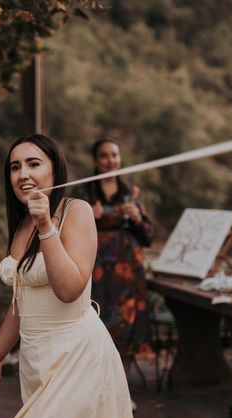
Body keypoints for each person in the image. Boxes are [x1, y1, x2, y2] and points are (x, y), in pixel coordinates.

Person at [0, 134, 147, 418]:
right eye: (15, 167)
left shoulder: (76, 212)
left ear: (55, 171)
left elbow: (69, 288)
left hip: (78, 358)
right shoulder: (21, 224)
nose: (23, 174)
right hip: (37, 363)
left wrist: (45, 226)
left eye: (34, 164)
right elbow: (19, 305)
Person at [82, 138, 153, 381]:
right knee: (96, 325)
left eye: (114, 155)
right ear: (95, 160)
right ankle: (96, 389)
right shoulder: (84, 192)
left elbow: (148, 237)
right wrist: (87, 217)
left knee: (127, 325)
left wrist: (137, 219)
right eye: (104, 156)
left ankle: (121, 391)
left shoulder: (132, 193)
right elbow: (64, 231)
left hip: (128, 271)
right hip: (96, 270)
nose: (110, 160)